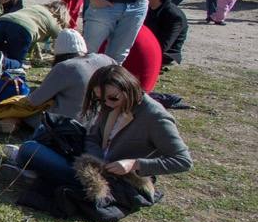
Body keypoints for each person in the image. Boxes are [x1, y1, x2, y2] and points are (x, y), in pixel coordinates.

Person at [16, 65, 191, 191]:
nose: (106, 104)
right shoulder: (112, 106)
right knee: (45, 129)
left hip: (112, 180)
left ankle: (35, 167)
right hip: (94, 164)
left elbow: (182, 161)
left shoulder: (155, 117)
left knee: (29, 149)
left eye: (112, 98)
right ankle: (39, 168)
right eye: (100, 100)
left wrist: (134, 164)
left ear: (129, 88)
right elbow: (93, 136)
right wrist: (95, 157)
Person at [4, 29, 114, 134]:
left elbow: (35, 100)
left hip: (67, 125)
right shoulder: (106, 59)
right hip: (99, 123)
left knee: (26, 113)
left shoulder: (66, 67)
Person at [0, 1, 69, 71]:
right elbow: (62, 41)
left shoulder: (36, 7)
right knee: (17, 61)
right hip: (23, 28)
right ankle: (4, 61)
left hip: (3, 21)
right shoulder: (54, 21)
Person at [144, 0, 188, 66]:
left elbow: (164, 45)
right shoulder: (150, 9)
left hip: (166, 54)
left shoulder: (174, 16)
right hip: (151, 45)